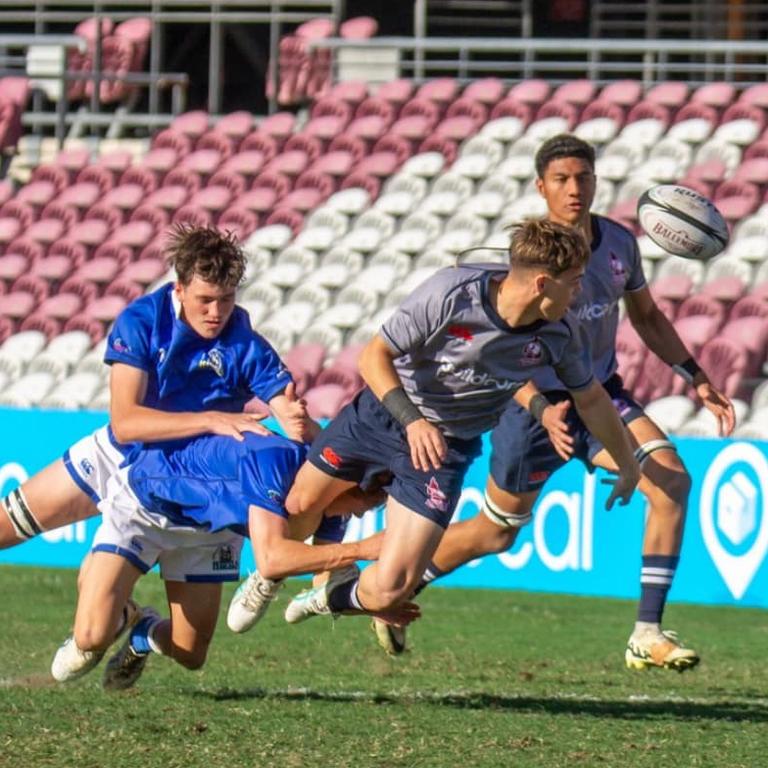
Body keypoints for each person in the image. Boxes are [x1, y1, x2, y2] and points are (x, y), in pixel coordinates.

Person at [373, 134, 736, 669]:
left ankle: (647, 632)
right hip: (531, 402)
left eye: (584, 177)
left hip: (598, 393)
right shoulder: (518, 257)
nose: (575, 188)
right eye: (562, 179)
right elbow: (491, 346)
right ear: (541, 187)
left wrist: (695, 375)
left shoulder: (618, 245)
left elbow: (649, 318)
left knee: (671, 481)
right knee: (496, 533)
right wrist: (537, 403)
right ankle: (391, 592)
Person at [276, 218, 641, 632]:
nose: (580, 293)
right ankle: (267, 576)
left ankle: (327, 596)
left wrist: (628, 462)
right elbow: (372, 357)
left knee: (392, 588)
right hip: (385, 416)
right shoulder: (451, 292)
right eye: (574, 282)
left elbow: (591, 397)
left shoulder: (562, 332)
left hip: (444, 450)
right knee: (297, 509)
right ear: (542, 283)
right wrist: (412, 421)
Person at [0, 224, 312, 550]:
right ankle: (125, 605)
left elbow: (293, 421)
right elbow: (125, 425)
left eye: (226, 299)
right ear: (179, 289)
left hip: (195, 480)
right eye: (205, 300)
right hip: (118, 455)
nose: (216, 312)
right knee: (6, 527)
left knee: (133, 595)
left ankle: (127, 603)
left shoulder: (246, 344)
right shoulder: (142, 321)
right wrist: (211, 419)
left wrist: (300, 424)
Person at [50, 430, 403, 690]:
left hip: (212, 533)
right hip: (146, 507)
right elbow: (276, 557)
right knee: (88, 643)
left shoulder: (332, 504)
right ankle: (107, 594)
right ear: (346, 484)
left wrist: (372, 603)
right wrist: (362, 549)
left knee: (190, 654)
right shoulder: (275, 462)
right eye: (363, 506)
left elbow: (324, 580)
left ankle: (140, 630)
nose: (358, 517)